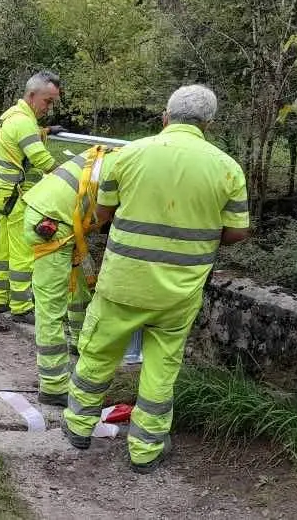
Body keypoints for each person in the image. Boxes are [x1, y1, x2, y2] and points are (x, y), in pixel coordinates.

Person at [62, 85, 250, 474]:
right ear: (208, 124)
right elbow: (236, 232)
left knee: (98, 352)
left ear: (165, 117)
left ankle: (78, 427)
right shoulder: (228, 168)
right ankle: (146, 450)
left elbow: (101, 213)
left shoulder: (128, 155)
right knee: (162, 366)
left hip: (124, 282)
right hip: (180, 290)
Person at [21, 143, 125, 407]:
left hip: (61, 215)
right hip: (52, 220)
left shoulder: (122, 157)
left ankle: (79, 345)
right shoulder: (132, 169)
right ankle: (53, 384)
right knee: (51, 305)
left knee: (78, 292)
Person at [0, 71, 65, 324]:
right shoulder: (24, 123)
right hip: (18, 196)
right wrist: (70, 177)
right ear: (32, 96)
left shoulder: (9, 116)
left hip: (3, 193)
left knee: (3, 249)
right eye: (47, 101)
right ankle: (21, 307)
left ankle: (1, 298)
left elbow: (21, 140)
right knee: (22, 252)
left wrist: (45, 131)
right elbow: (41, 159)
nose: (49, 107)